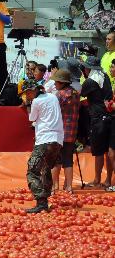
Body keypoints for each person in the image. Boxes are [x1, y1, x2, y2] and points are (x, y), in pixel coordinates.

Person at [24, 84, 63, 213]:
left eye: (27, 93)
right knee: (45, 168)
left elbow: (32, 118)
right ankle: (45, 198)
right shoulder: (52, 97)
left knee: (32, 171)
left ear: (33, 91)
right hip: (57, 139)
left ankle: (42, 202)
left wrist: (28, 104)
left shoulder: (36, 101)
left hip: (44, 139)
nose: (27, 95)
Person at [79, 56, 115, 190]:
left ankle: (97, 179)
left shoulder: (90, 81)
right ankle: (108, 180)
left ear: (88, 68)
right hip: (109, 117)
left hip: (98, 119)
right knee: (108, 151)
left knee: (99, 151)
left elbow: (80, 94)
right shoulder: (105, 76)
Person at [49, 69, 80, 194]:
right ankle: (69, 186)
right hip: (72, 131)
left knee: (55, 159)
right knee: (68, 159)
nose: (55, 84)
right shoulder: (76, 93)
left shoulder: (58, 95)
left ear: (62, 82)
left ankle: (53, 186)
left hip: (59, 131)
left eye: (56, 81)